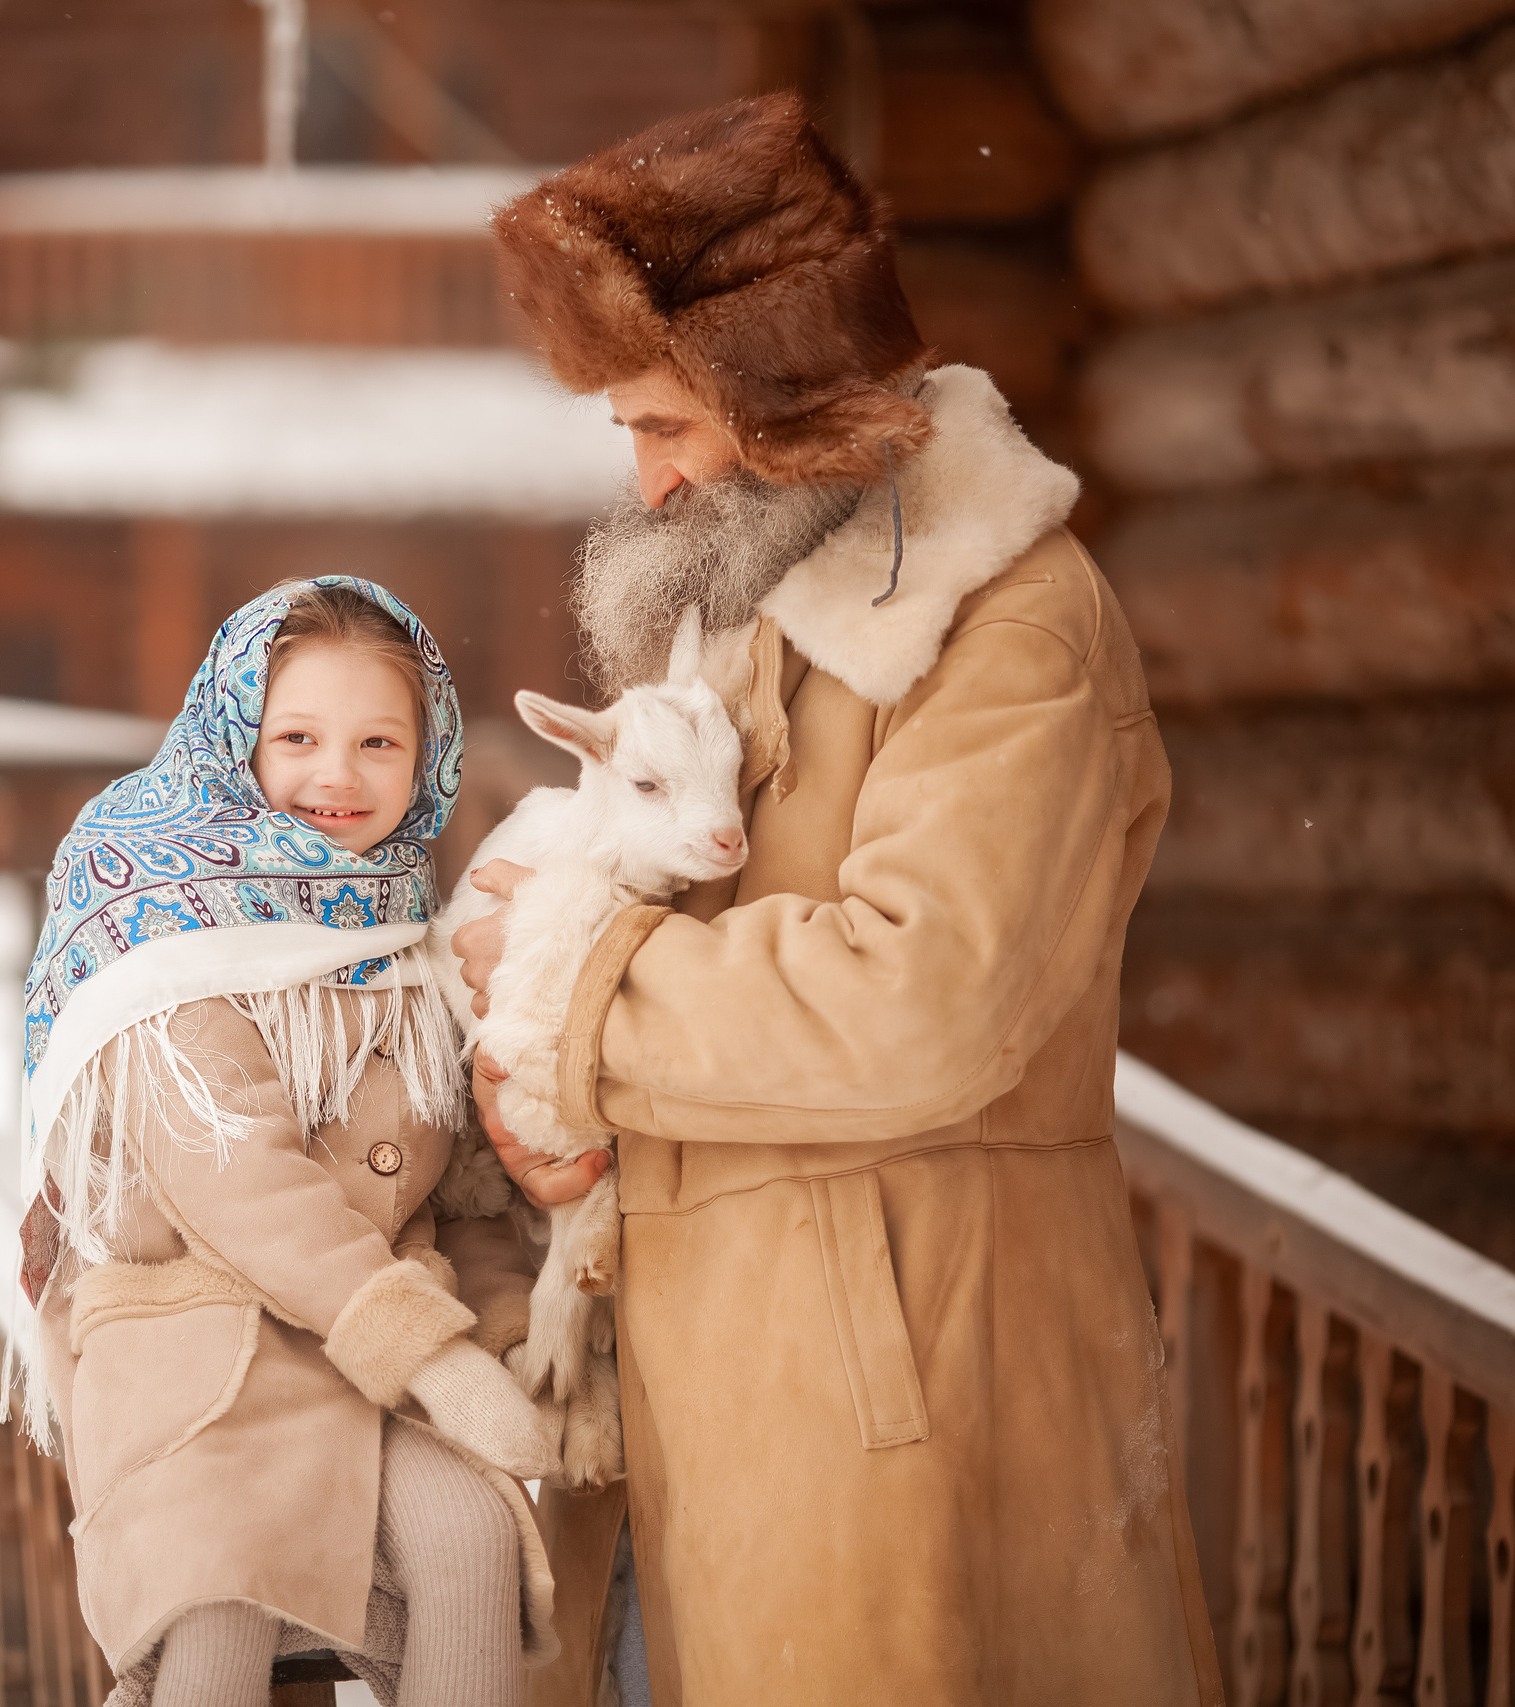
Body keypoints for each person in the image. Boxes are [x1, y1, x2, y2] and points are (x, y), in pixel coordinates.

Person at [451, 96, 1228, 1706]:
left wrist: (578, 995)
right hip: (701, 1392)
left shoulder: (1013, 624)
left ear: (783, 404)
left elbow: (915, 999)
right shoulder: (754, 597)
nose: (654, 484)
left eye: (667, 426)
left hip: (901, 1410)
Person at [15, 577, 560, 1707]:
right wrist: (424, 1352)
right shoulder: (161, 914)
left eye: (378, 741)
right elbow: (236, 1176)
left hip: (363, 1349)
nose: (338, 776)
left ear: (429, 757)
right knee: (220, 1598)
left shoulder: (406, 933)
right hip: (197, 1338)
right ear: (235, 741)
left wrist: (508, 1330)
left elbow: (454, 1191)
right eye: (298, 737)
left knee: (469, 1539)